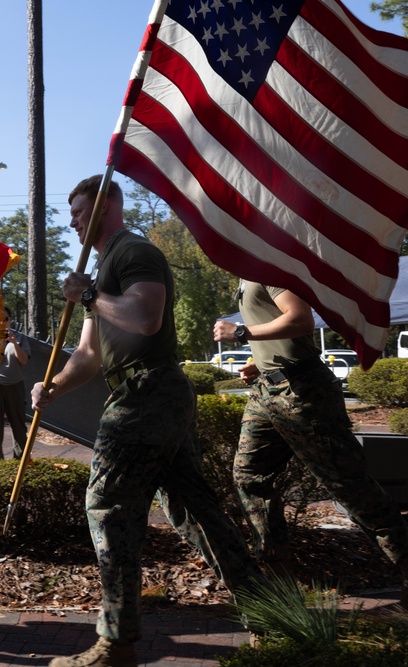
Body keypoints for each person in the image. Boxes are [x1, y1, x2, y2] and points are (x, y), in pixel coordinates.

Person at [32, 176, 262, 667]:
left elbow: (146, 318)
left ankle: (116, 642)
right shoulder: (104, 265)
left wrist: (91, 294)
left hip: (148, 391)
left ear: (105, 206)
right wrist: (53, 387)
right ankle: (269, 613)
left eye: (78, 212)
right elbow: (91, 355)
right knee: (192, 508)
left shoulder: (133, 252)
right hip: (152, 394)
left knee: (108, 503)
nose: (71, 221)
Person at [213, 280, 408, 602]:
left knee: (348, 485)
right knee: (249, 478)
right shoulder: (245, 272)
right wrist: (259, 361)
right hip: (267, 389)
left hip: (303, 390)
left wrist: (241, 333)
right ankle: (281, 584)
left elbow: (301, 318)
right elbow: (277, 326)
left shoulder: (268, 266)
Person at [0, 306, 31, 461]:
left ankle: (21, 462)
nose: (2, 323)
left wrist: (14, 343)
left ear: (10, 320)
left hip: (14, 384)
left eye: (5, 319)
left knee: (18, 424)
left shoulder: (19, 337)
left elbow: (23, 360)